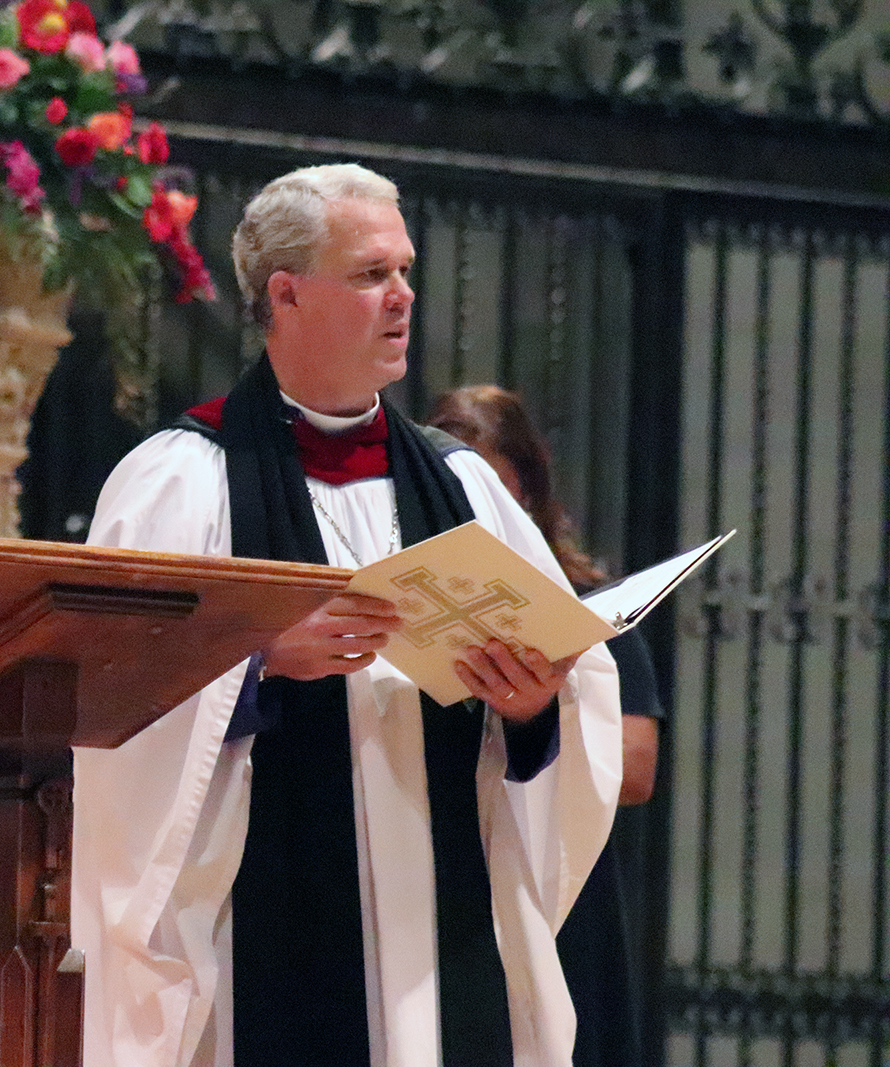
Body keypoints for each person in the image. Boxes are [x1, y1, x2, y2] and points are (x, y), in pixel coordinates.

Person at [71, 162, 623, 1067]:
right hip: (265, 936)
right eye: (372, 274)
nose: (403, 295)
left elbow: (578, 689)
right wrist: (253, 666)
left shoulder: (464, 485)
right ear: (285, 294)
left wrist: (531, 710)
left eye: (404, 270)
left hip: (439, 941)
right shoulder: (182, 480)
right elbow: (104, 697)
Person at [427, 384, 664, 1067]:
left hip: (560, 872)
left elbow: (638, 763)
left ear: (527, 491)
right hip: (458, 879)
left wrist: (535, 719)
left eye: (497, 489)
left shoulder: (586, 605)